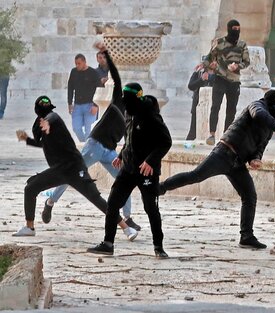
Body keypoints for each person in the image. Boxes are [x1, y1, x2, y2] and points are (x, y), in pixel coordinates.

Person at [159, 90, 275, 249]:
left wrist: (256, 159)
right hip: (224, 153)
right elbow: (258, 114)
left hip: (238, 163)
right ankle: (160, 188)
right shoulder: (257, 106)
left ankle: (246, 236)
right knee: (196, 176)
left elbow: (261, 147)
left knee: (249, 195)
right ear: (269, 101)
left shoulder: (270, 124)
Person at [43, 42, 141, 231]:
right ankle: (50, 202)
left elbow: (130, 141)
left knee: (124, 179)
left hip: (109, 152)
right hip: (95, 145)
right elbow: (117, 76)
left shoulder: (132, 117)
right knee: (71, 174)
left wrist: (123, 157)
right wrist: (105, 52)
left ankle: (127, 218)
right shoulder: (118, 103)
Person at [13, 96, 138, 241]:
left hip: (74, 168)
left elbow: (52, 118)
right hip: (59, 170)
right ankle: (29, 227)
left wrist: (47, 123)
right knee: (30, 188)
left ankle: (126, 228)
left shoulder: (53, 119)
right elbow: (43, 143)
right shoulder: (43, 125)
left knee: (96, 199)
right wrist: (26, 139)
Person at [87, 83, 172, 257]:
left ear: (136, 98)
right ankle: (108, 243)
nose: (124, 103)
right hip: (128, 168)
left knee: (151, 208)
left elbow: (165, 141)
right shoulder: (128, 113)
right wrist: (121, 154)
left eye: (127, 99)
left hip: (146, 170)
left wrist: (150, 161)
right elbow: (130, 138)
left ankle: (158, 247)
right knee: (112, 204)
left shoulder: (151, 116)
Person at [203, 19, 250, 146]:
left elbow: (246, 62)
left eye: (238, 29)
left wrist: (237, 66)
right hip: (220, 79)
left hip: (234, 81)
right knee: (215, 107)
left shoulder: (242, 45)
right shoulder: (219, 43)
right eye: (234, 29)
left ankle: (226, 136)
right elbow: (208, 59)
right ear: (229, 29)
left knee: (231, 110)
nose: (236, 31)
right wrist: (209, 67)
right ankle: (212, 134)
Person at [67, 53, 101, 142]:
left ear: (84, 62)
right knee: (76, 128)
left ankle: (86, 150)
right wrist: (70, 103)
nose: (77, 66)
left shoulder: (93, 73)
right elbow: (70, 87)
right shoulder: (74, 72)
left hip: (90, 105)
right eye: (76, 64)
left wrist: (96, 105)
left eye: (79, 63)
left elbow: (100, 89)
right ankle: (84, 145)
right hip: (77, 105)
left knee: (89, 131)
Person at [186, 60, 216, 140]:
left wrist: (210, 78)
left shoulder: (219, 74)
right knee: (193, 132)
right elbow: (191, 86)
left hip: (213, 108)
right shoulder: (199, 73)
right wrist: (201, 79)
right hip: (198, 106)